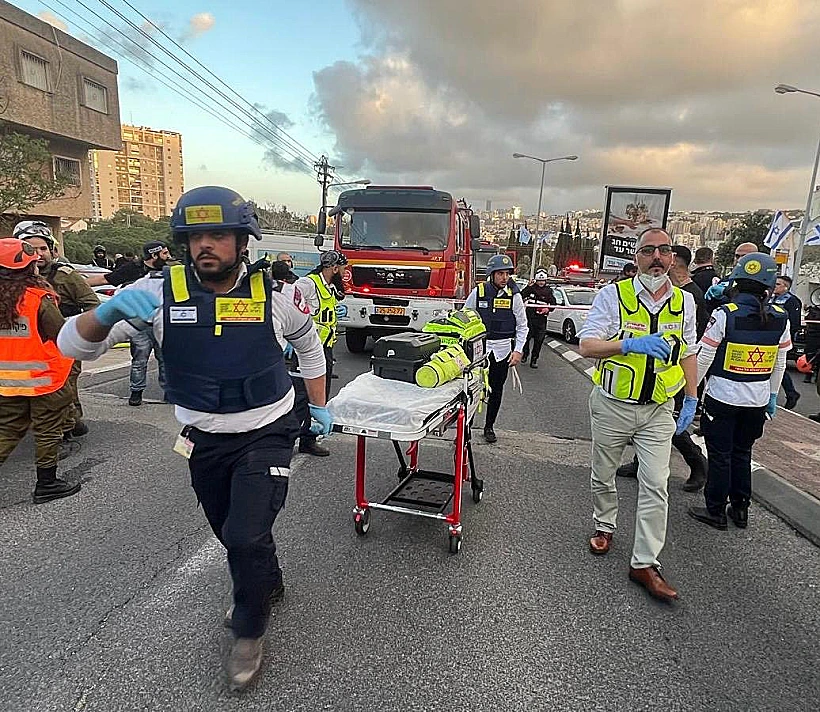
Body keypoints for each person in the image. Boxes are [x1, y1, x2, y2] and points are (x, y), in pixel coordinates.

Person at [58, 185, 330, 690]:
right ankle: (265, 580)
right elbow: (72, 346)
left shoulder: (276, 298)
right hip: (203, 440)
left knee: (244, 535)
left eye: (219, 235)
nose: (206, 245)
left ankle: (249, 631)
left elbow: (310, 351)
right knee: (231, 530)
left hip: (268, 430)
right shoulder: (156, 295)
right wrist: (108, 312)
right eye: (195, 235)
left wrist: (318, 404)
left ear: (242, 242)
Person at [578, 228, 698, 603]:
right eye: (649, 251)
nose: (658, 257)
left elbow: (689, 351)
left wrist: (691, 400)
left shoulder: (685, 303)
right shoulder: (613, 296)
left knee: (656, 484)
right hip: (613, 404)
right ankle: (604, 523)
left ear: (673, 258)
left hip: (657, 411)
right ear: (637, 258)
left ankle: (644, 562)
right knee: (603, 474)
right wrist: (627, 344)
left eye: (665, 250)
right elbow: (586, 344)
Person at [689, 253, 790, 530]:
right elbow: (779, 363)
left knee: (720, 455)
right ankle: (740, 509)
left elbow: (703, 357)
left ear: (736, 281)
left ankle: (715, 511)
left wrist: (690, 394)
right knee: (742, 453)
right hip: (757, 401)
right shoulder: (780, 318)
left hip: (722, 398)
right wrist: (771, 396)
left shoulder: (726, 314)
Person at [615, 243, 708, 491]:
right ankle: (639, 462)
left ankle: (698, 464)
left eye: (665, 260)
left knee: (672, 428)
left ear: (675, 264)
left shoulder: (689, 296)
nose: (658, 266)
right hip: (647, 372)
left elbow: (690, 345)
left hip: (670, 375)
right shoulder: (664, 292)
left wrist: (692, 394)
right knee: (644, 424)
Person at [0, 238, 80, 503]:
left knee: (8, 431)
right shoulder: (37, 299)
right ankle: (47, 484)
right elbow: (61, 336)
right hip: (45, 380)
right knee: (47, 431)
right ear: (28, 268)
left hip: (7, 381)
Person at [13, 221, 100, 438]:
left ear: (52, 249)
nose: (39, 254)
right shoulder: (12, 277)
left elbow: (93, 305)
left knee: (63, 388)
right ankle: (69, 421)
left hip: (64, 344)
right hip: (29, 349)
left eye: (43, 248)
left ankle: (64, 431)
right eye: (32, 249)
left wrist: (70, 326)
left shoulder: (66, 275)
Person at [464, 254, 528, 444]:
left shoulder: (514, 295)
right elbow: (465, 316)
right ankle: (467, 425)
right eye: (500, 273)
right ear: (492, 274)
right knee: (472, 389)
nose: (504, 278)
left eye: (507, 274)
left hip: (502, 351)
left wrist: (518, 350)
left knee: (496, 390)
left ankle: (489, 426)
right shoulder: (479, 292)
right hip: (478, 350)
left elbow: (522, 325)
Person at [271, 255, 323, 456]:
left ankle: (302, 438)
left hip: (262, 426)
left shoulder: (286, 295)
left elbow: (310, 350)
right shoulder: (171, 293)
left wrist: (319, 406)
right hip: (208, 425)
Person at [296, 250, 346, 403]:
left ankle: (316, 420)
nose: (345, 273)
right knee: (304, 395)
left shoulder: (330, 287)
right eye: (343, 268)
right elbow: (288, 302)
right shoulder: (309, 283)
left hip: (325, 347)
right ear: (334, 268)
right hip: (307, 349)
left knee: (321, 394)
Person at [769, 275, 802, 410]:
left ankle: (791, 393)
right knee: (773, 366)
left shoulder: (792, 301)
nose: (774, 286)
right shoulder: (772, 299)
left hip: (782, 338)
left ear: (786, 287)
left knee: (778, 366)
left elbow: (794, 323)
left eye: (778, 284)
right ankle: (790, 393)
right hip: (770, 337)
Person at [704, 241, 758, 310]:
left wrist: (726, 291)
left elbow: (751, 301)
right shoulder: (727, 279)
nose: (739, 260)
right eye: (737, 256)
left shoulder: (760, 280)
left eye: (744, 256)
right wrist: (713, 298)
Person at [520, 270, 556, 369]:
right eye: (539, 281)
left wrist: (547, 309)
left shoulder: (548, 291)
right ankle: (525, 354)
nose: (541, 283)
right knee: (526, 339)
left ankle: (534, 359)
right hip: (529, 318)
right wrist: (528, 286)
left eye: (543, 281)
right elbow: (520, 295)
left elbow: (553, 304)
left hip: (541, 320)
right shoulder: (531, 289)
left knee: (539, 341)